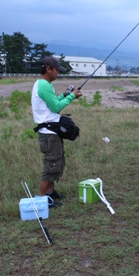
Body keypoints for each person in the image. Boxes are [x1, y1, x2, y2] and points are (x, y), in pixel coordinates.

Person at [32, 56, 83, 206]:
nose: (58, 73)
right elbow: (56, 107)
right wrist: (73, 96)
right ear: (48, 69)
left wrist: (66, 95)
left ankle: (50, 193)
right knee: (51, 165)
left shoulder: (44, 84)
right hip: (48, 134)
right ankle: (42, 199)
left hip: (52, 132)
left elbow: (53, 102)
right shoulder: (43, 85)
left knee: (57, 163)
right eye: (56, 70)